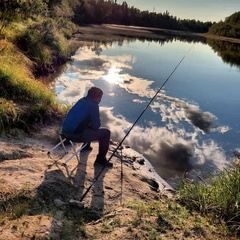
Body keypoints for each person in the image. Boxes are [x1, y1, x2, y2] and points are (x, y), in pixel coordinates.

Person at [62, 86, 112, 167]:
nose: (100, 100)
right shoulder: (93, 106)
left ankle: (86, 146)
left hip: (64, 132)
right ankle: (100, 160)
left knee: (86, 122)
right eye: (100, 98)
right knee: (106, 133)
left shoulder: (81, 100)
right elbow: (96, 126)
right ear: (96, 98)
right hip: (74, 135)